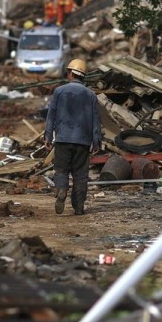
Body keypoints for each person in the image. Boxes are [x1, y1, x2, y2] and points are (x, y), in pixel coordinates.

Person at [44, 59, 101, 215]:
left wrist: (48, 136)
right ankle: (79, 207)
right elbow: (96, 120)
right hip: (83, 141)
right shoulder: (91, 95)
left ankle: (62, 190)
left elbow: (51, 116)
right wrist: (96, 142)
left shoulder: (59, 91)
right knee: (81, 175)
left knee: (61, 170)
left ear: (71, 73)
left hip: (63, 138)